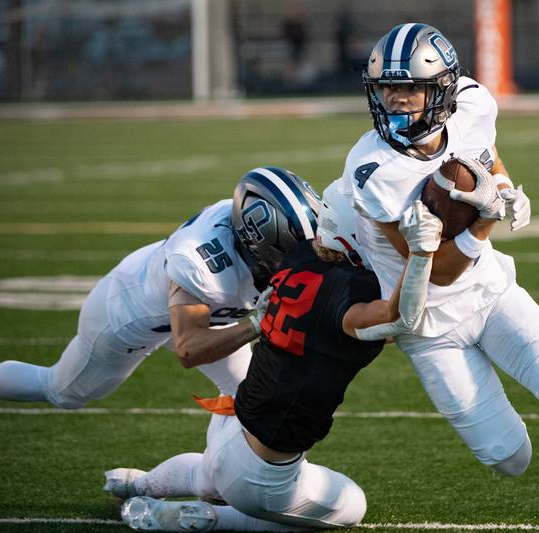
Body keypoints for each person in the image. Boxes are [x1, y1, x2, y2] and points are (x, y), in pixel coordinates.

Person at [339, 23, 539, 533]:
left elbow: (483, 154)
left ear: (445, 91)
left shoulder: (472, 104)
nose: (397, 101)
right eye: (388, 88)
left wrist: (500, 185)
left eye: (411, 89)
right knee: (508, 458)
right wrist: (488, 217)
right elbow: (437, 273)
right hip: (430, 324)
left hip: (492, 294)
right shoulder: (371, 168)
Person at [103, 188, 443, 532]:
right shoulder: (347, 298)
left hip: (233, 424)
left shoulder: (299, 259)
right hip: (262, 472)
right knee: (351, 506)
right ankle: (210, 520)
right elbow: (400, 318)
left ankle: (136, 485)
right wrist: (420, 253)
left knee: (208, 473)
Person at [0, 166, 320, 408]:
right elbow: (188, 348)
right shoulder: (200, 260)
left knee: (250, 395)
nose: (299, 261)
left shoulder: (247, 231)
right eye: (289, 252)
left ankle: (213, 478)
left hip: (211, 311)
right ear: (256, 240)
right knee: (62, 392)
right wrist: (257, 323)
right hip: (127, 312)